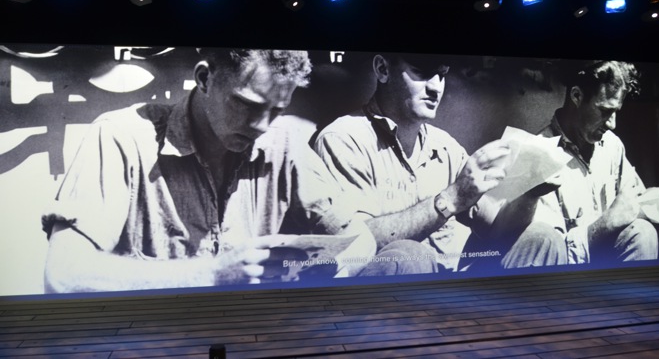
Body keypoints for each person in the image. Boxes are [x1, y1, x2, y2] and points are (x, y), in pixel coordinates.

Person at [41, 48, 374, 293]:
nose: (261, 126)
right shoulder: (120, 136)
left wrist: (327, 275)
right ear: (204, 78)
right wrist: (213, 274)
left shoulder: (286, 141)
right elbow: (64, 276)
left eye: (276, 110)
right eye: (248, 104)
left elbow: (361, 240)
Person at [311, 53, 567, 275]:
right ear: (382, 69)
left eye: (442, 75)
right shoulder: (343, 139)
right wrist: (451, 198)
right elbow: (352, 244)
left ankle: (515, 316)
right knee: (410, 255)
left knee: (543, 237)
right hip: (388, 295)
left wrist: (530, 192)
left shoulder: (445, 146)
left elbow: (498, 231)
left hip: (452, 287)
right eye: (422, 72)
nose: (436, 87)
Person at [534, 59, 659, 266]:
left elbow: (632, 205)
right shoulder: (540, 154)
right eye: (605, 111)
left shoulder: (612, 145)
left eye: (616, 111)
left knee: (646, 231)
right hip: (568, 278)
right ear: (577, 96)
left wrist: (658, 201)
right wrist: (606, 224)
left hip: (612, 264)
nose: (613, 124)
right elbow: (548, 253)